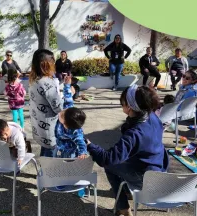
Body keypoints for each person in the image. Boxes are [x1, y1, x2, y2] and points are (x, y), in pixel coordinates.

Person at [86, 85, 169, 216]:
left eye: (122, 103)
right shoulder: (152, 116)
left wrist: (90, 145)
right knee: (119, 161)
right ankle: (126, 190)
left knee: (110, 166)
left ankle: (123, 208)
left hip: (146, 177)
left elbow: (107, 159)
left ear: (129, 107)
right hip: (159, 167)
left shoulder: (134, 133)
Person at [29, 49, 73, 157]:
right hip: (49, 129)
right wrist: (68, 91)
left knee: (45, 151)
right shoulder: (47, 82)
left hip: (38, 125)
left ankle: (42, 171)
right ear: (46, 64)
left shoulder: (34, 79)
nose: (54, 64)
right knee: (50, 156)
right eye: (52, 61)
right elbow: (59, 108)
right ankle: (45, 173)